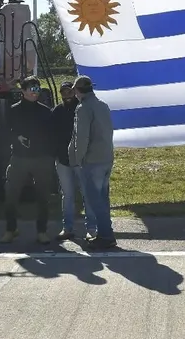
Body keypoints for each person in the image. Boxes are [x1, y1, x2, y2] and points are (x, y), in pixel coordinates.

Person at [0, 76, 57, 245]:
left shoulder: (45, 111)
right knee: (11, 194)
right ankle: (11, 229)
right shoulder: (14, 109)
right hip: (19, 158)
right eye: (31, 89)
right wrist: (16, 137)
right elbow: (4, 130)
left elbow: (52, 134)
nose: (35, 92)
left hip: (42, 159)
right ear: (23, 91)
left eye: (37, 89)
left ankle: (42, 231)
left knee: (42, 197)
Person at [69, 75, 116, 250]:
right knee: (103, 198)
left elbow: (82, 137)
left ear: (77, 91)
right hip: (106, 157)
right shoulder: (103, 105)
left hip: (92, 160)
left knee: (95, 200)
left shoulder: (83, 108)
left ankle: (105, 236)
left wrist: (78, 158)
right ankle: (107, 232)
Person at [52, 81, 94, 240]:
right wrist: (55, 153)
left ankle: (91, 228)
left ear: (74, 92)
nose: (66, 95)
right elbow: (51, 133)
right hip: (62, 160)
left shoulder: (82, 109)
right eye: (63, 92)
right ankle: (67, 228)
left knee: (86, 194)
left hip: (81, 160)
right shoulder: (57, 110)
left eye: (69, 91)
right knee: (67, 196)